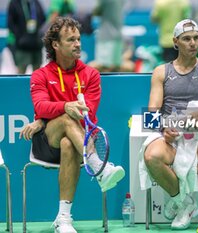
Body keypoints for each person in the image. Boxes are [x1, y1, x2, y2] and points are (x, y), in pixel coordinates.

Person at [19, 16, 125, 233]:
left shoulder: (91, 75)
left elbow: (88, 112)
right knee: (67, 119)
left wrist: (45, 117)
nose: (78, 43)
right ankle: (99, 167)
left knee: (69, 142)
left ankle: (64, 219)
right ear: (55, 45)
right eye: (71, 40)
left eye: (78, 39)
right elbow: (40, 106)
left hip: (81, 138)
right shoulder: (40, 75)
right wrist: (56, 111)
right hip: (48, 143)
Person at [143, 19, 198, 229]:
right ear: (175, 42)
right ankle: (185, 202)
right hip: (171, 135)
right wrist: (164, 129)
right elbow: (152, 111)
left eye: (196, 38)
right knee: (151, 156)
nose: (192, 43)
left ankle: (179, 200)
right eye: (186, 39)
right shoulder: (161, 72)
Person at [7, 0, 46, 74]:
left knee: (37, 73)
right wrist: (20, 38)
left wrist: (40, 36)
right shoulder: (14, 3)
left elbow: (43, 19)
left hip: (36, 44)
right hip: (22, 45)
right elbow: (10, 23)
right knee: (21, 72)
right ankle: (19, 86)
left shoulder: (36, 3)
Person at [90, 0, 125, 72]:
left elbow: (96, 11)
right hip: (118, 35)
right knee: (116, 67)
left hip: (106, 36)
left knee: (103, 67)